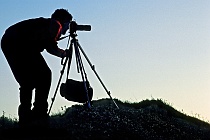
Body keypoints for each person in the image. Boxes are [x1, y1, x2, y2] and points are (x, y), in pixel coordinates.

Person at [1, 8, 72, 127]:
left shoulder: (44, 24)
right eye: (68, 24)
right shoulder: (56, 24)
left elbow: (49, 46)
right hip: (21, 44)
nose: (68, 28)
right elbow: (51, 47)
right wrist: (64, 53)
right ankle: (39, 114)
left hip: (9, 41)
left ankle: (26, 119)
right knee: (45, 75)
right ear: (63, 21)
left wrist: (61, 53)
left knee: (27, 82)